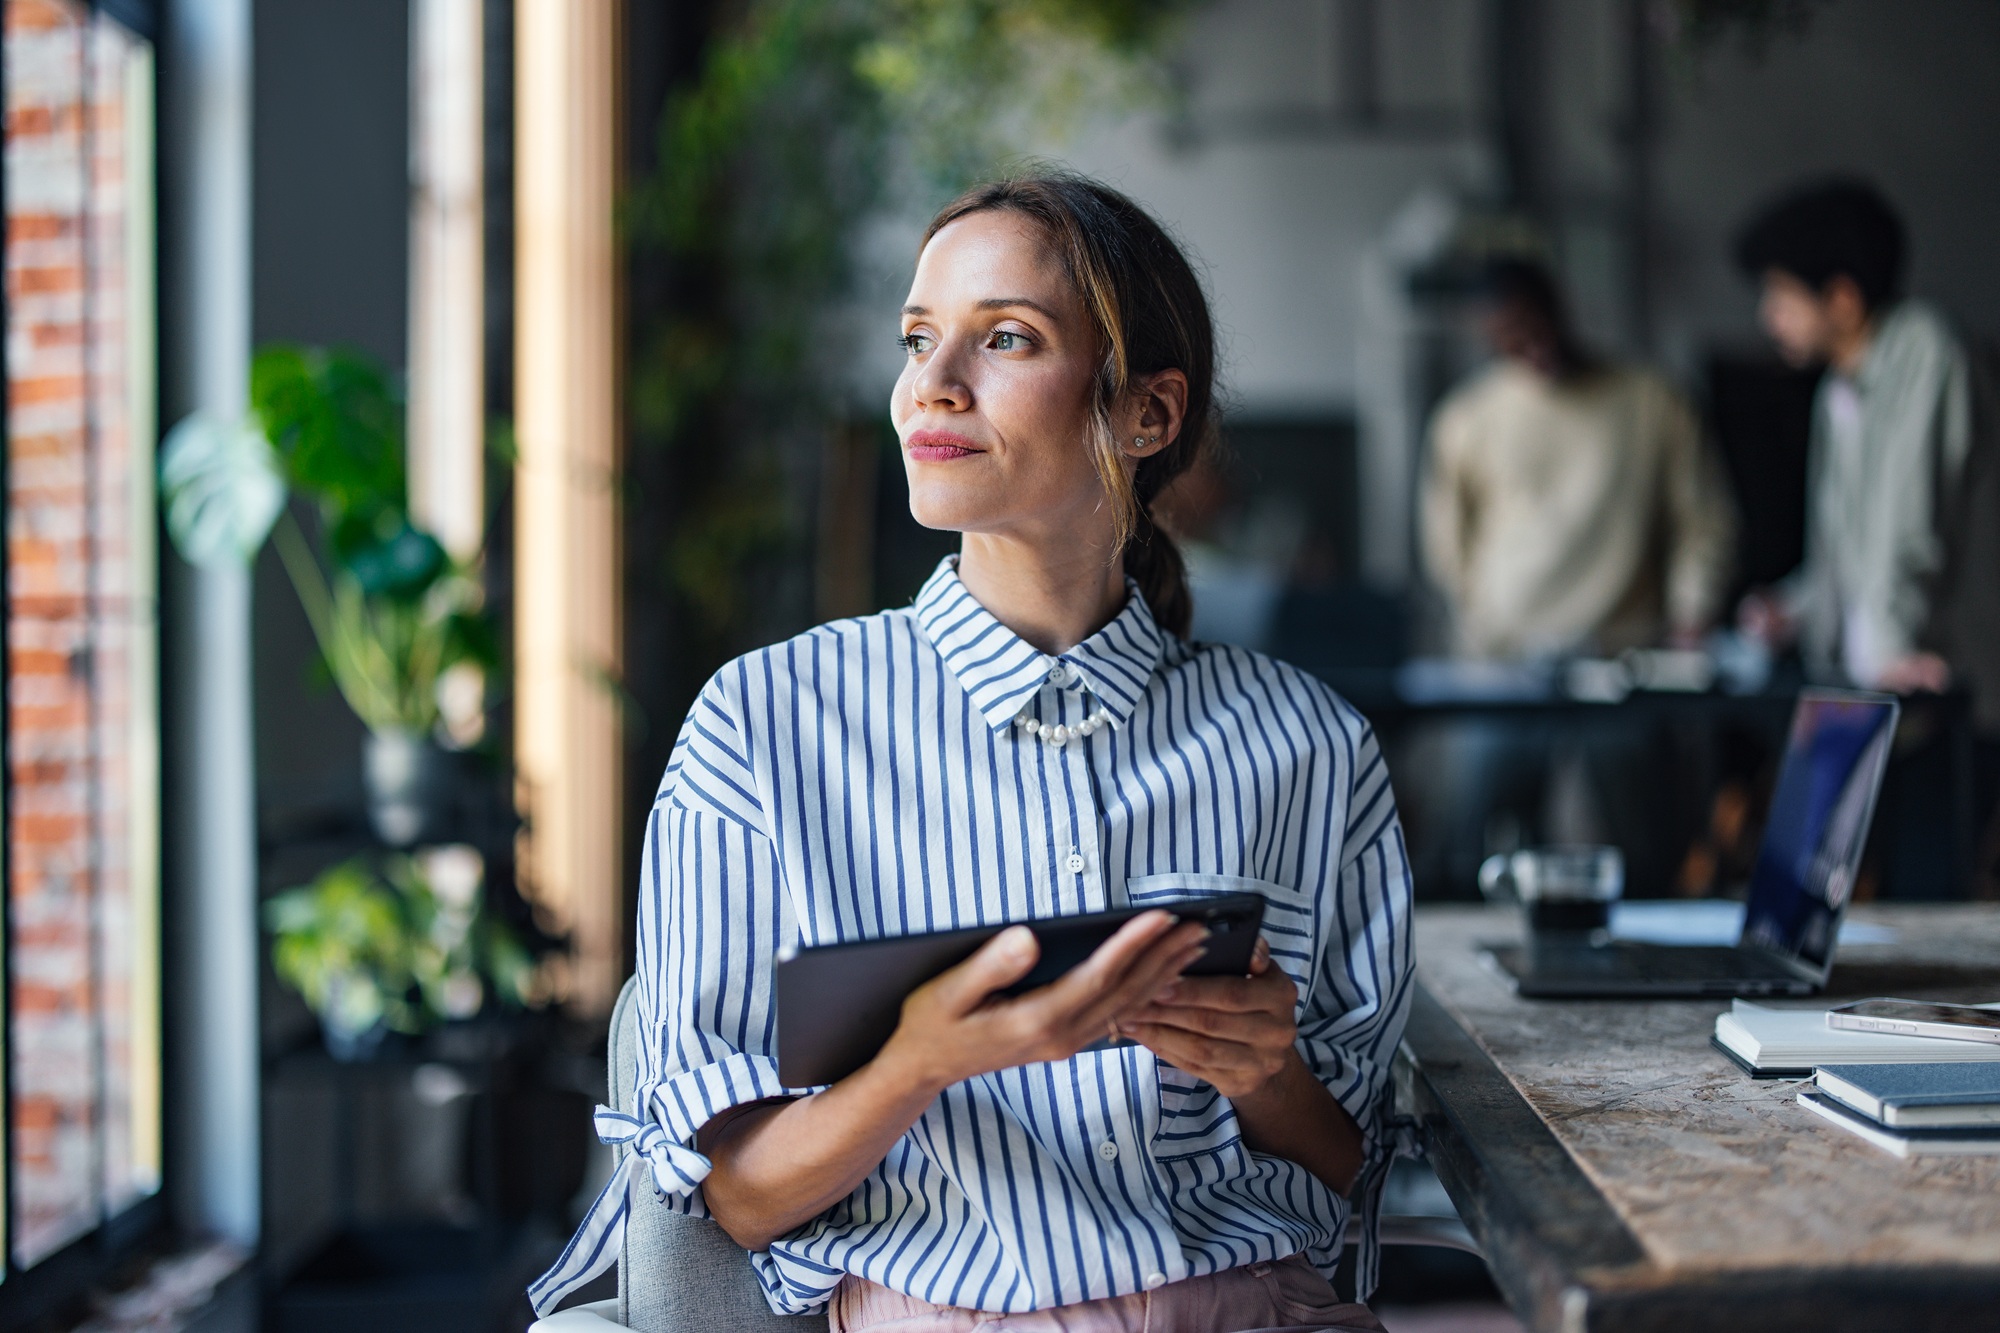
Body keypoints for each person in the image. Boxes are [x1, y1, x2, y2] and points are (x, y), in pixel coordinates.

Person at [529, 175, 1413, 1332]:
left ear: (1146, 414)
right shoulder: (760, 727)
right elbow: (732, 1202)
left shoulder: (1307, 747)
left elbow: (1357, 1168)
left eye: (1004, 338)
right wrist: (919, 1061)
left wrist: (1265, 1075)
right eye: (916, 340)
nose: (930, 386)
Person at [1733, 178, 2000, 722]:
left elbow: (1911, 529)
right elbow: (1850, 550)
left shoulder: (1927, 351)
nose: (1769, 317)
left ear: (1843, 298)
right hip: (1870, 688)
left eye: (1781, 296)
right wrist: (1797, 607)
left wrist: (1890, 654)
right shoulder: (1837, 390)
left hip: (1931, 686)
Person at [1420, 258, 1737, 662]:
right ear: (1487, 338)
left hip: (1621, 655)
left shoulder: (1654, 402)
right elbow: (1446, 544)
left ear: (1559, 307)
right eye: (1510, 340)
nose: (1535, 348)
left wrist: (1693, 610)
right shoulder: (1465, 419)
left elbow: (1704, 518)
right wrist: (1481, 618)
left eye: (1538, 327)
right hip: (1502, 659)